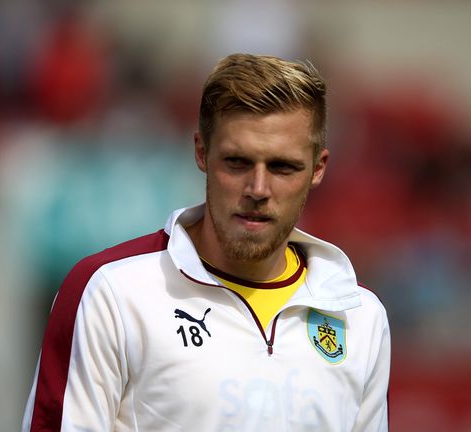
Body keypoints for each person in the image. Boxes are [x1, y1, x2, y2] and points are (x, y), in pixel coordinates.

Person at [22, 53, 390, 431]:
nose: (258, 189)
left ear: (318, 169)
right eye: (237, 162)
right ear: (201, 152)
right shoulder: (108, 293)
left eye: (282, 167)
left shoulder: (360, 317)